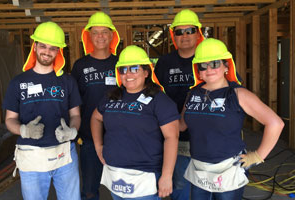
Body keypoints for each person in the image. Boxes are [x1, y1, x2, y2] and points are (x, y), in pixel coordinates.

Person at [179, 38, 284, 200]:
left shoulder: (238, 94)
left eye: (215, 63)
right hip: (199, 169)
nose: (209, 69)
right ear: (198, 70)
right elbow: (181, 125)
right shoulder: (193, 94)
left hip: (227, 169)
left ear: (226, 66)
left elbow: (275, 123)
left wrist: (257, 155)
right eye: (203, 65)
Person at [2, 21, 82, 200]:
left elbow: (75, 115)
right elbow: (10, 119)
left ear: (59, 51)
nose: (47, 51)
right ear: (35, 46)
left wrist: (72, 131)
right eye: (43, 46)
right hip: (31, 156)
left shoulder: (67, 81)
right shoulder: (18, 82)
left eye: (53, 48)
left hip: (64, 155)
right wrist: (23, 130)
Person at [90, 45, 179, 199]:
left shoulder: (159, 100)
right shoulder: (112, 96)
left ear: (146, 72)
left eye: (134, 68)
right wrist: (99, 147)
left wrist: (166, 175)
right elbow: (96, 118)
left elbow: (172, 137)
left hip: (145, 176)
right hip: (115, 174)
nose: (128, 74)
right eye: (123, 70)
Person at [154, 9, 204, 200]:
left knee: (206, 187)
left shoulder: (208, 59)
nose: (184, 36)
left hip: (208, 136)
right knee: (181, 185)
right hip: (177, 135)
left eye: (189, 30)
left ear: (198, 33)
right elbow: (154, 94)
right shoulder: (165, 62)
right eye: (179, 32)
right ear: (173, 35)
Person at [71, 11, 120, 200]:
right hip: (89, 138)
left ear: (111, 35)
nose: (100, 36)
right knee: (90, 190)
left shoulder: (120, 63)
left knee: (125, 186)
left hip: (119, 135)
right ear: (89, 36)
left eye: (104, 32)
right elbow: (73, 101)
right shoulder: (80, 66)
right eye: (95, 32)